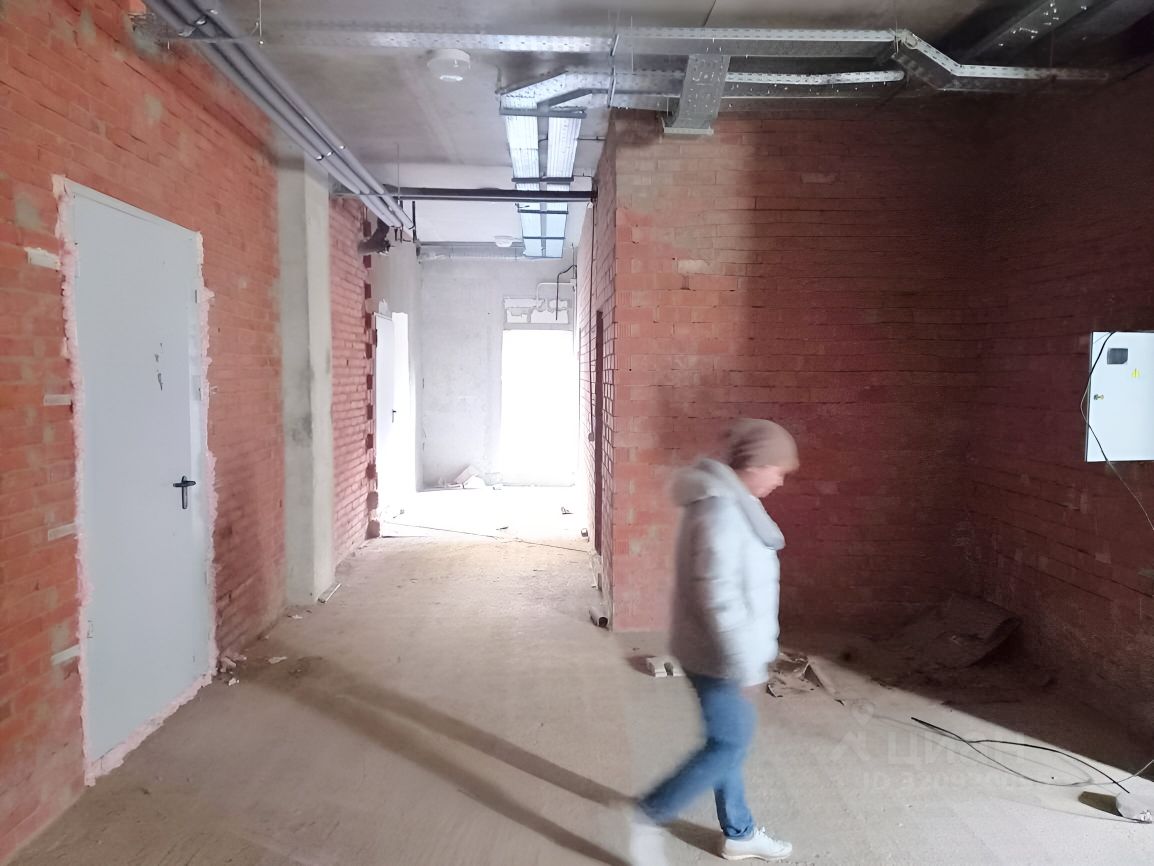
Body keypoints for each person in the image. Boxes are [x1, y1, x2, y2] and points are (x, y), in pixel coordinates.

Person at [629, 418, 798, 865]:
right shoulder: (721, 512)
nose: (780, 480)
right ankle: (650, 813)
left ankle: (739, 833)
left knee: (729, 743)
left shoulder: (735, 502)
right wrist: (747, 664)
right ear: (755, 464)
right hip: (719, 657)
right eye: (778, 470)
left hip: (718, 652)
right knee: (728, 745)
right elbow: (719, 599)